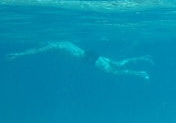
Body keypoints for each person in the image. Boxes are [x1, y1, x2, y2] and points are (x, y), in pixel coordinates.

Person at [5, 41, 153, 81]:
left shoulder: (55, 46)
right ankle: (142, 59)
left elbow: (36, 51)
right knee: (118, 64)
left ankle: (140, 73)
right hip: (91, 56)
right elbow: (36, 50)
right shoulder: (62, 45)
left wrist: (18, 55)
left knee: (113, 72)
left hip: (91, 58)